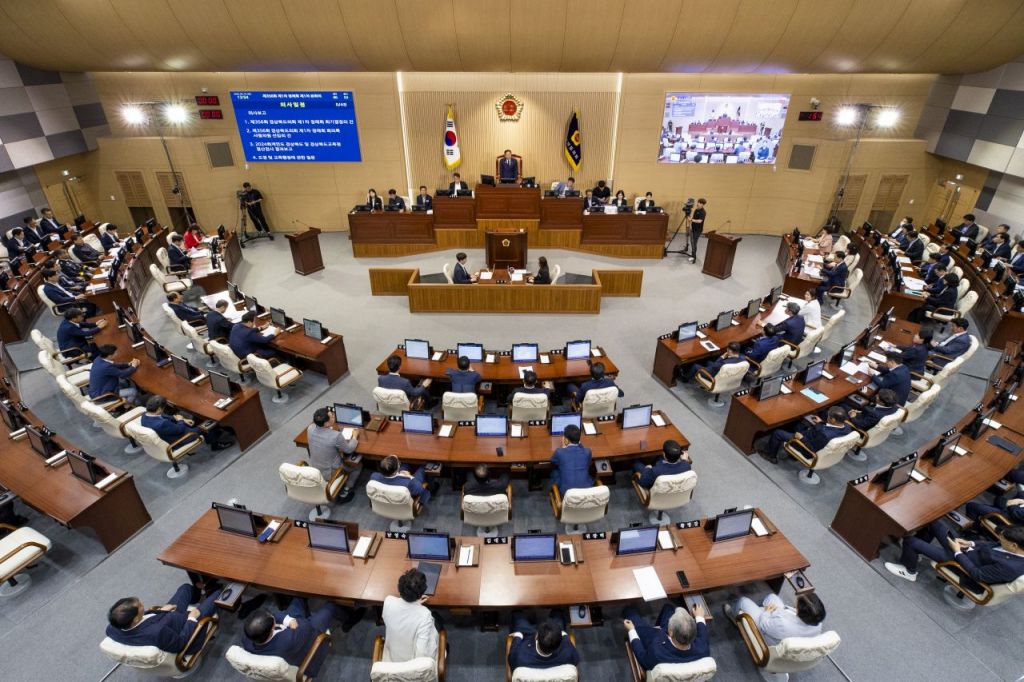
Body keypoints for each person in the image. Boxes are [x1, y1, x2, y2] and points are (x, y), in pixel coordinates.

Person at [242, 598, 361, 677]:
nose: (272, 615)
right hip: (309, 637)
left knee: (298, 598)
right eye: (272, 619)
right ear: (272, 627)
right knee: (331, 605)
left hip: (293, 634)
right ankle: (349, 620)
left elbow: (271, 615)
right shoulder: (290, 639)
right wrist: (292, 621)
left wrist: (287, 620)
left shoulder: (248, 639)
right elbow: (305, 625)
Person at [885, 520, 1024, 588]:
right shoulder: (1014, 546)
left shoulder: (1010, 567)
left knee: (911, 542)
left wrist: (957, 552)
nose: (1000, 539)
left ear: (1014, 545)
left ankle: (909, 571)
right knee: (934, 524)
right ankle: (914, 554)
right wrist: (970, 543)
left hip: (963, 567)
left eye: (1003, 539)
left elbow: (977, 574)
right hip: (966, 552)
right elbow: (991, 544)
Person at [106, 583, 220, 654]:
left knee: (186, 588)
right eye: (139, 606)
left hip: (166, 617)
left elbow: (144, 618)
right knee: (219, 594)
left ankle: (201, 594)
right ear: (135, 619)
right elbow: (181, 644)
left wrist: (160, 611)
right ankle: (214, 591)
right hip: (185, 626)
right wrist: (192, 619)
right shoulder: (156, 633)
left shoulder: (112, 627)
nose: (142, 603)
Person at [623, 604, 709, 670]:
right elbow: (702, 632)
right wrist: (699, 616)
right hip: (669, 635)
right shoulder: (703, 648)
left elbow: (642, 657)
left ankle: (628, 609)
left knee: (631, 613)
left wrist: (631, 630)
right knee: (668, 608)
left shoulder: (656, 652)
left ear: (670, 632)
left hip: (653, 635)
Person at [381, 569, 439, 663]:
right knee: (437, 621)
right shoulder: (425, 615)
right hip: (413, 664)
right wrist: (416, 604)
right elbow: (421, 655)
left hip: (393, 656)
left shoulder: (389, 601)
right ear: (421, 593)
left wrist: (415, 603)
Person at [759, 406, 853, 464]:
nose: (827, 417)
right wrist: (821, 422)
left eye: (829, 417)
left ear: (833, 420)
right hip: (814, 436)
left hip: (805, 447)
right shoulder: (847, 427)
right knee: (799, 423)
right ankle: (791, 454)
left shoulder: (825, 435)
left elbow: (812, 448)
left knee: (777, 433)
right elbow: (829, 428)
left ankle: (771, 456)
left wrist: (801, 438)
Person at [728, 593, 825, 646]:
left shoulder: (782, 624)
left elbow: (763, 624)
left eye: (797, 602)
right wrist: (775, 611)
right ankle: (759, 609)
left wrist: (767, 612)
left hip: (768, 633)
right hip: (782, 627)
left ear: (799, 610)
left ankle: (735, 618)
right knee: (772, 597)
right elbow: (788, 614)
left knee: (743, 601)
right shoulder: (818, 622)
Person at [141, 395, 234, 450]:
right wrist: (181, 420)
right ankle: (215, 444)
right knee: (208, 424)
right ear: (159, 409)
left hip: (171, 432)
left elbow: (163, 416)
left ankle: (212, 435)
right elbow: (180, 430)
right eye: (163, 408)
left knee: (196, 418)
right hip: (181, 438)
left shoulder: (145, 416)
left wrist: (180, 419)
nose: (164, 410)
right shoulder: (162, 424)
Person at [306, 407, 360, 499]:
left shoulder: (310, 428)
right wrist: (355, 436)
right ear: (326, 423)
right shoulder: (335, 436)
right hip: (331, 471)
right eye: (332, 416)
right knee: (357, 466)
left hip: (315, 467)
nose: (334, 416)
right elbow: (349, 449)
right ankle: (346, 490)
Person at [508, 611, 579, 672]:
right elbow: (575, 660)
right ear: (560, 643)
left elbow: (511, 660)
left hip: (528, 636)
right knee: (558, 614)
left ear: (536, 637)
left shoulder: (520, 656)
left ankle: (516, 612)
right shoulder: (568, 653)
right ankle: (557, 610)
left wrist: (518, 636)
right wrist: (565, 635)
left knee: (518, 617)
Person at [371, 454, 437, 503]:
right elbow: (419, 489)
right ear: (397, 468)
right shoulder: (409, 483)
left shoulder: (374, 477)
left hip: (388, 499)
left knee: (404, 465)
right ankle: (432, 488)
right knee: (423, 468)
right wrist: (410, 477)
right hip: (407, 495)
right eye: (399, 463)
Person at [550, 424, 592, 496]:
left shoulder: (559, 452)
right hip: (586, 493)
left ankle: (553, 489)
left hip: (566, 494)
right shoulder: (588, 451)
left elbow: (553, 461)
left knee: (554, 471)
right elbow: (588, 464)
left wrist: (564, 449)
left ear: (566, 440)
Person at [680, 341, 746, 383]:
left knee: (695, 366)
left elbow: (715, 365)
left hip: (713, 375)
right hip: (726, 375)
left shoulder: (725, 363)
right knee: (707, 361)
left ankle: (685, 378)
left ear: (729, 351)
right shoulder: (742, 358)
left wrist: (722, 357)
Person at [688, 197, 707, 264]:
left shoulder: (703, 212)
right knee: (692, 242)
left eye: (699, 203)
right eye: (698, 202)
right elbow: (693, 218)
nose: (697, 204)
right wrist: (691, 215)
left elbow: (700, 221)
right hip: (693, 229)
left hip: (698, 230)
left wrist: (691, 220)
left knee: (694, 243)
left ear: (702, 204)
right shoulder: (696, 210)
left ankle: (694, 258)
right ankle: (693, 255)